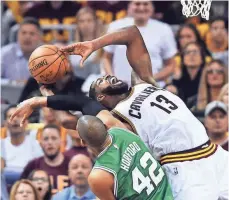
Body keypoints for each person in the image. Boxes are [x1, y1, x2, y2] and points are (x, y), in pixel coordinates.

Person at [11, 25, 228, 200]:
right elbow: (72, 116)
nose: (108, 76)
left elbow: (132, 34)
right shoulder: (115, 119)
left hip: (214, 153)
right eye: (101, 81)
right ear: (100, 98)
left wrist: (94, 44)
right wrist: (43, 94)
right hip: (184, 169)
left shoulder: (143, 82)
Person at [75, 115, 173, 200]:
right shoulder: (119, 130)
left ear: (83, 142)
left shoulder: (98, 176)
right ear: (106, 127)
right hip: (171, 193)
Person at [102, 0, 177, 87]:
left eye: (146, 4)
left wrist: (150, 79)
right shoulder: (115, 27)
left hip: (152, 89)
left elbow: (171, 65)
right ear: (129, 6)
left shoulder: (164, 29)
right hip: (120, 89)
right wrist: (112, 80)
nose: (141, 8)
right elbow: (106, 58)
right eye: (137, 4)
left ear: (152, 7)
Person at [21, 124, 70, 194]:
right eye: (46, 139)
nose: (50, 142)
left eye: (54, 138)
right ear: (41, 143)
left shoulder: (71, 164)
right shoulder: (32, 165)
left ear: (61, 142)